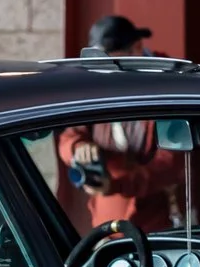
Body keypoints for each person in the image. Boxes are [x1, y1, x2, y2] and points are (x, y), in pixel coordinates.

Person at [58, 15, 188, 232]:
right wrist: (78, 149)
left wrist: (117, 184)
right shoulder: (97, 82)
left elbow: (170, 165)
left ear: (137, 48)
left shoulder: (168, 86)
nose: (107, 73)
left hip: (155, 221)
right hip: (108, 222)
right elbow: (69, 137)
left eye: (114, 63)